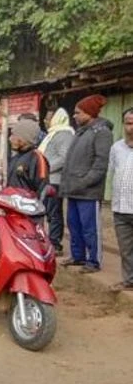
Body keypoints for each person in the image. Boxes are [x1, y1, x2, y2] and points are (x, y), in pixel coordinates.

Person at [60, 94, 114, 274]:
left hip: (88, 192)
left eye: (78, 113)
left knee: (90, 228)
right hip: (74, 190)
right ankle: (78, 256)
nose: (74, 116)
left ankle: (93, 260)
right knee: (74, 225)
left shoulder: (102, 133)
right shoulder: (81, 131)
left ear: (89, 113)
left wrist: (84, 182)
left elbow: (100, 165)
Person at [38, 108, 75, 255]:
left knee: (54, 214)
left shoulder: (64, 134)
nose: (45, 121)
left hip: (54, 180)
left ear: (56, 119)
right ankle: (47, 241)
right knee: (46, 212)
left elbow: (64, 158)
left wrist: (45, 168)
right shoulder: (53, 134)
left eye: (48, 118)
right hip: (47, 180)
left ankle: (55, 243)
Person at [109, 107, 133, 290]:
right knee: (125, 249)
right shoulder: (116, 148)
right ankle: (129, 280)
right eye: (128, 123)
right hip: (120, 208)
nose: (131, 127)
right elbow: (113, 172)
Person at [7, 118, 49, 197]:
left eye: (13, 135)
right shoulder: (15, 158)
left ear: (24, 138)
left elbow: (43, 190)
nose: (10, 139)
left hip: (27, 207)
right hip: (12, 206)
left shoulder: (37, 159)